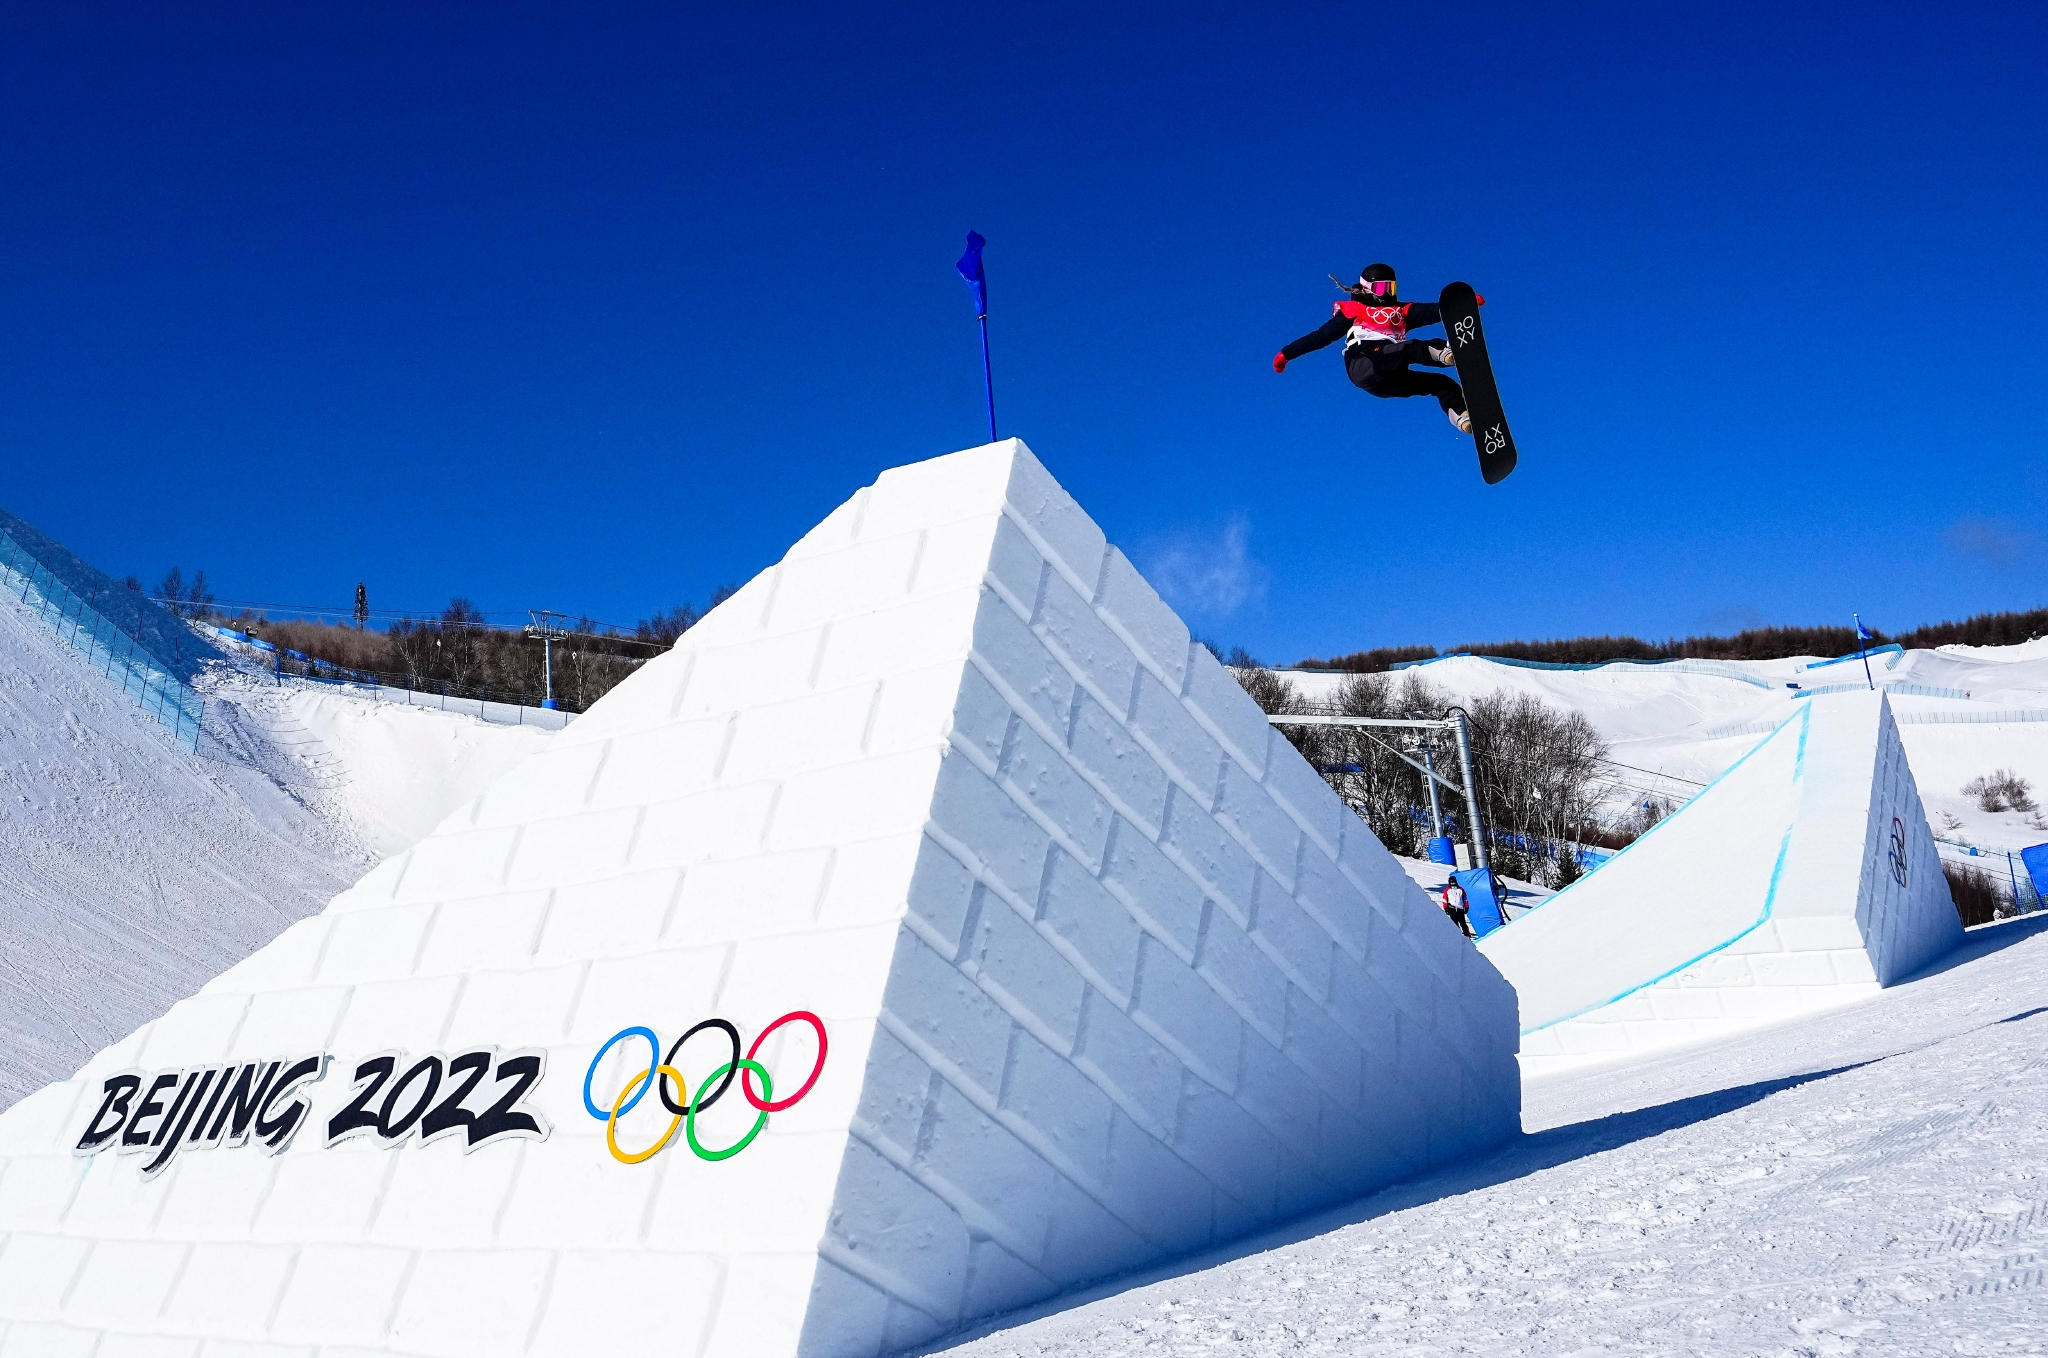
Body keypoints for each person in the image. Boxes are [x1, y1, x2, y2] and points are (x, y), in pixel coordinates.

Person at [1272, 263, 1481, 434]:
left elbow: (1432, 310)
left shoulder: (1401, 311)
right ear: (1367, 289)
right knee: (1408, 348)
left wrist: (1462, 305)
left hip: (1388, 380)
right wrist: (1287, 354)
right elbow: (1320, 337)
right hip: (1363, 362)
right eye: (1382, 289)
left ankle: (1462, 418)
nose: (1387, 294)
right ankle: (1444, 353)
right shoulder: (1354, 310)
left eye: (1391, 288)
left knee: (1440, 383)